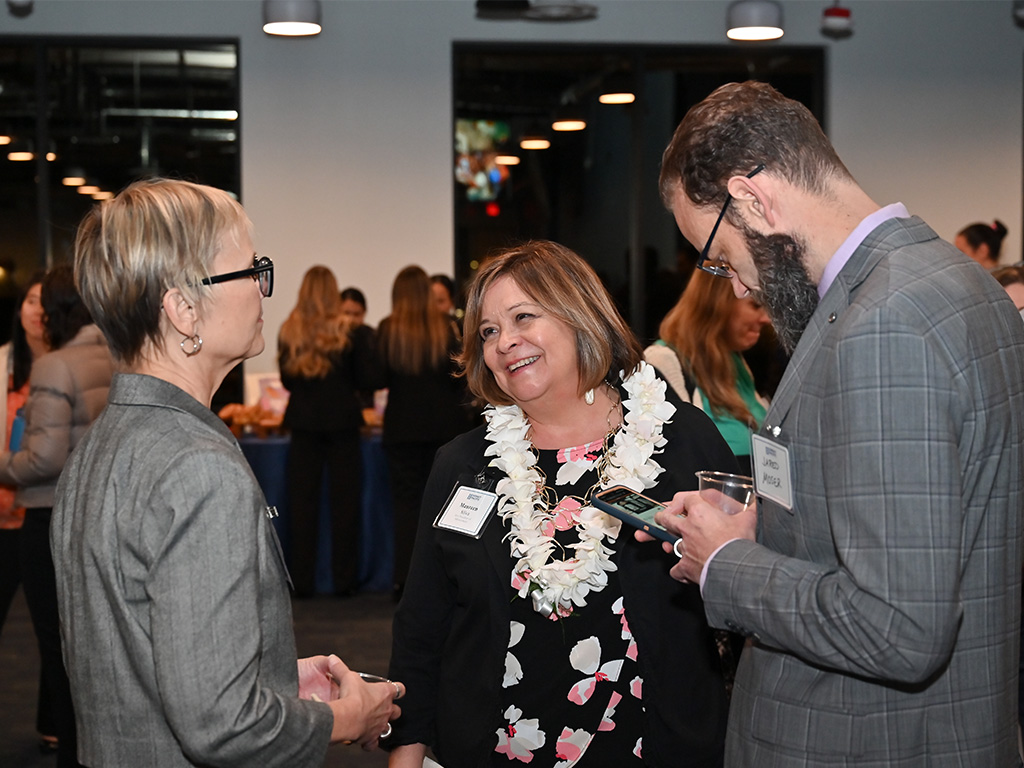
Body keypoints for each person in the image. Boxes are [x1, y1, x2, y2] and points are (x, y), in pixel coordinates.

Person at [652, 80, 1024, 766]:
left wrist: (727, 563)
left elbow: (900, 628)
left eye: (719, 256)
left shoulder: (883, 324)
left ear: (752, 199)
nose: (735, 286)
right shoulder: (960, 283)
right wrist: (771, 529)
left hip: (863, 741)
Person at [51, 178, 402, 767]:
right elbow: (223, 727)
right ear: (184, 308)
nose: (264, 290)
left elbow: (139, 655)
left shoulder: (101, 444)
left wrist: (272, 676)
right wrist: (345, 717)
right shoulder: (197, 468)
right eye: (250, 271)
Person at [387, 240, 736, 767]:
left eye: (523, 316)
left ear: (580, 315)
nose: (505, 341)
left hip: (653, 746)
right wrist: (406, 756)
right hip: (493, 751)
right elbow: (422, 625)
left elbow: (738, 599)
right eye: (488, 331)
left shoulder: (679, 441)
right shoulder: (463, 465)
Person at [279, 265, 380, 597]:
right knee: (345, 507)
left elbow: (288, 382)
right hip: (342, 423)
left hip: (304, 425)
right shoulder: (347, 332)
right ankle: (344, 582)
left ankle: (302, 583)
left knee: (302, 507)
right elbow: (364, 381)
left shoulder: (289, 331)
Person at [378, 265, 473, 598]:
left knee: (406, 508)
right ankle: (447, 581)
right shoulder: (445, 330)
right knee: (446, 507)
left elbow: (376, 379)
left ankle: (404, 581)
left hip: (402, 431)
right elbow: (458, 380)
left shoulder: (388, 330)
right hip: (444, 431)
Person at [0, 271, 55, 752]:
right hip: (1, 516)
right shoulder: (3, 366)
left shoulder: (69, 366)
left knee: (52, 630)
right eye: (29, 300)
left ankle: (53, 722)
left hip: (43, 516)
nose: (36, 310)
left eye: (45, 301)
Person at [644, 269, 770, 475]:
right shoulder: (664, 361)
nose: (766, 318)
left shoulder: (735, 360)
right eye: (756, 305)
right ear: (717, 305)